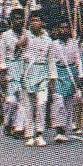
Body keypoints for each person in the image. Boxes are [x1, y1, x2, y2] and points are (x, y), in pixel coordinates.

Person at [18, 12, 53, 147]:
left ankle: (39, 133)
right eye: (32, 21)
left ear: (42, 23)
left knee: (42, 103)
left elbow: (51, 60)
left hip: (42, 73)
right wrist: (23, 39)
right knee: (29, 105)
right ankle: (30, 134)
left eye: (37, 20)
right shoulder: (27, 36)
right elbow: (18, 47)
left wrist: (52, 78)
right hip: (28, 72)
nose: (35, 23)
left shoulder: (48, 40)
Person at [49, 19, 83, 142]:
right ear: (58, 30)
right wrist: (52, 78)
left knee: (69, 103)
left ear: (69, 30)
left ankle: (65, 128)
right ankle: (59, 129)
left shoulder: (74, 44)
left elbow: (78, 60)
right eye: (61, 28)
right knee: (58, 102)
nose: (63, 30)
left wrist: (80, 75)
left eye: (66, 28)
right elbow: (51, 61)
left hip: (71, 74)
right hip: (58, 73)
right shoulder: (53, 44)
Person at [0, 9, 27, 138]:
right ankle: (8, 123)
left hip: (24, 68)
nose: (19, 21)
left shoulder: (27, 34)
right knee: (11, 100)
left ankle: (18, 128)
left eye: (21, 19)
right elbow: (2, 55)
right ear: (11, 21)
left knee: (23, 100)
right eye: (16, 19)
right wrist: (3, 74)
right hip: (10, 68)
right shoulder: (5, 36)